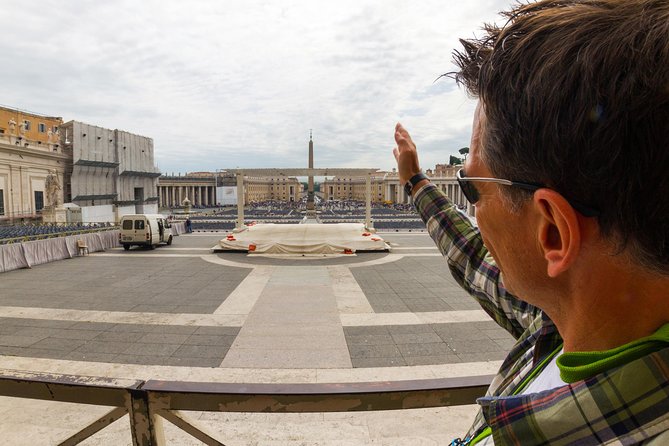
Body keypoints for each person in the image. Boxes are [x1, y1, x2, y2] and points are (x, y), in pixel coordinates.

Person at [393, 1, 669, 444]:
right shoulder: (568, 321)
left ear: (553, 233)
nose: (474, 211)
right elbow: (475, 263)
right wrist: (417, 181)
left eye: (473, 189)